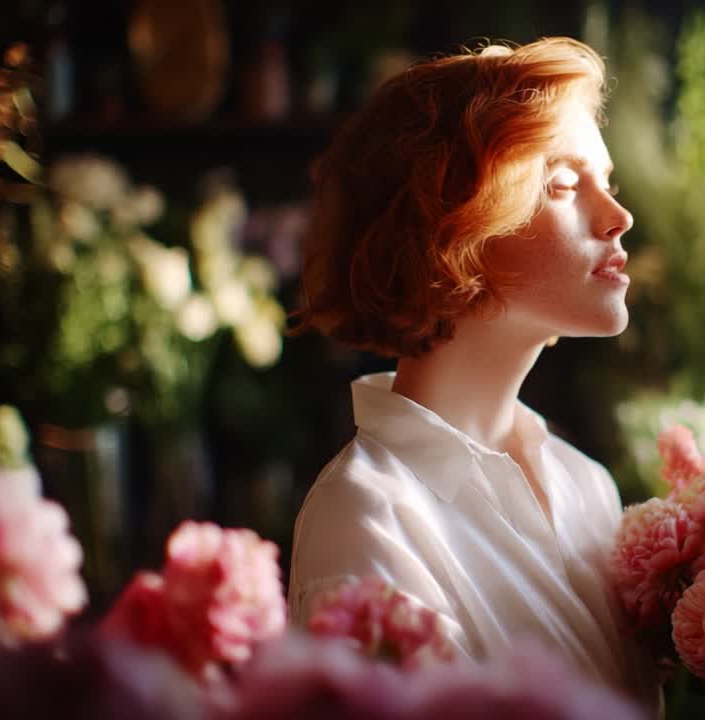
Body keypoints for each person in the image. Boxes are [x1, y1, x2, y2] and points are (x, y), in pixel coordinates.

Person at [287, 36, 654, 706]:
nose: (618, 218)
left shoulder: (589, 488)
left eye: (609, 184)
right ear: (448, 225)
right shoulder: (368, 520)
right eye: (564, 184)